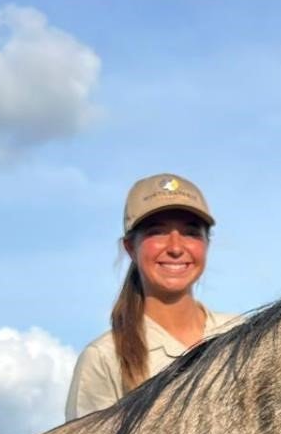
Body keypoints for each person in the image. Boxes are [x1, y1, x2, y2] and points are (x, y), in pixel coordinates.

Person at [66, 173, 240, 419]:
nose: (176, 248)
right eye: (157, 232)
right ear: (130, 247)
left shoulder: (240, 333)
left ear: (206, 244)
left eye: (191, 232)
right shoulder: (103, 358)